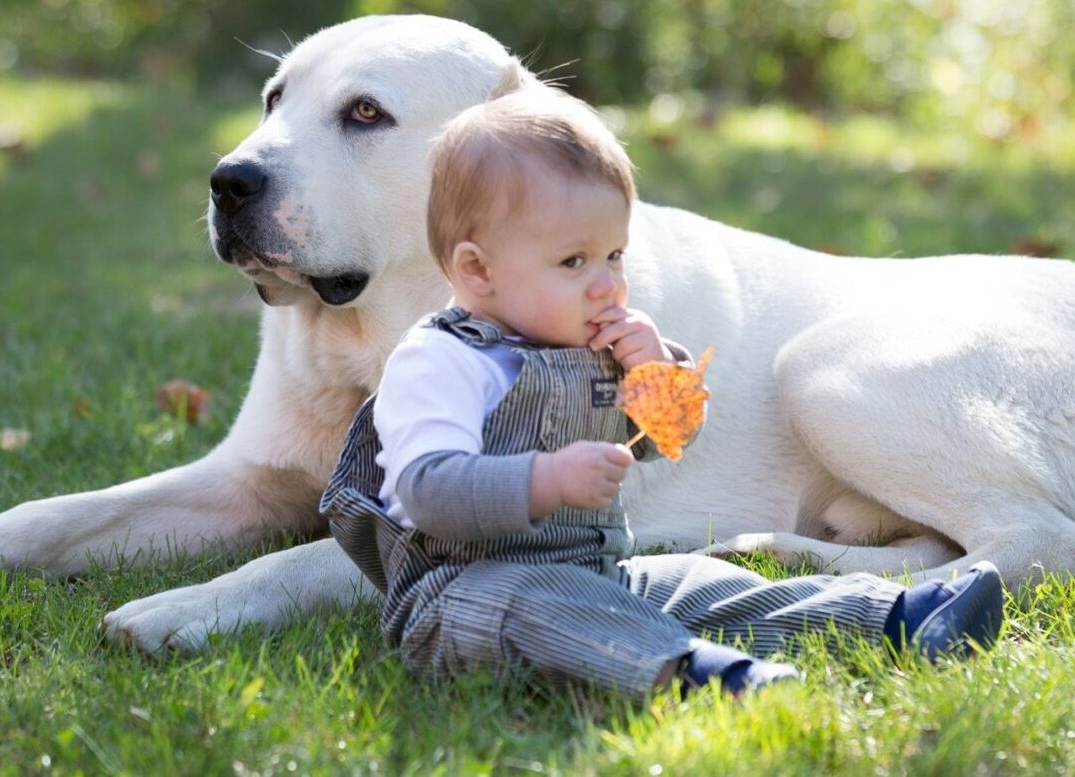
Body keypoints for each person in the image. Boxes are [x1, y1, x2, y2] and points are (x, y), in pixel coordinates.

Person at [320, 88, 1004, 697]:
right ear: (477, 270)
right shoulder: (439, 361)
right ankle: (702, 674)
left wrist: (657, 379)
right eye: (574, 262)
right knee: (550, 613)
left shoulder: (584, 343)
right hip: (464, 598)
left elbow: (664, 444)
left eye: (614, 255)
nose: (607, 285)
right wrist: (547, 479)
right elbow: (427, 490)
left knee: (701, 585)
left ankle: (894, 619)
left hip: (596, 569)